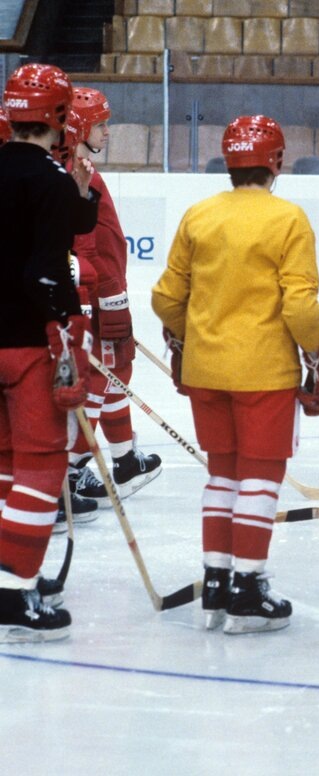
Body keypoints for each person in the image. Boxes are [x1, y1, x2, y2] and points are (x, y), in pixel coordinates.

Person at [152, 115, 319, 635]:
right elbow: (299, 305)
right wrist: (317, 354)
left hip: (206, 369)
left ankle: (215, 579)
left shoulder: (199, 214)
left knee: (222, 474)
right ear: (275, 161)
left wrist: (186, 338)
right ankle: (248, 588)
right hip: (264, 371)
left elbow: (167, 297)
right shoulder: (287, 219)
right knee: (259, 477)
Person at [0, 63, 99, 641]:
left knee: (5, 466)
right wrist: (68, 326)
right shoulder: (50, 180)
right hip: (28, 347)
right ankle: (15, 593)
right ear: (59, 117)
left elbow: (63, 219)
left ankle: (10, 579)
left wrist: (80, 194)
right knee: (41, 466)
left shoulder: (52, 182)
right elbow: (48, 269)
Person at [64, 87, 162, 515]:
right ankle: (71, 468)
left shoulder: (81, 168)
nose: (107, 131)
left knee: (116, 369)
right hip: (99, 297)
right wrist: (103, 303)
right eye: (101, 124)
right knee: (100, 381)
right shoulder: (79, 173)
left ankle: (123, 459)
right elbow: (85, 248)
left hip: (103, 292)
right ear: (80, 128)